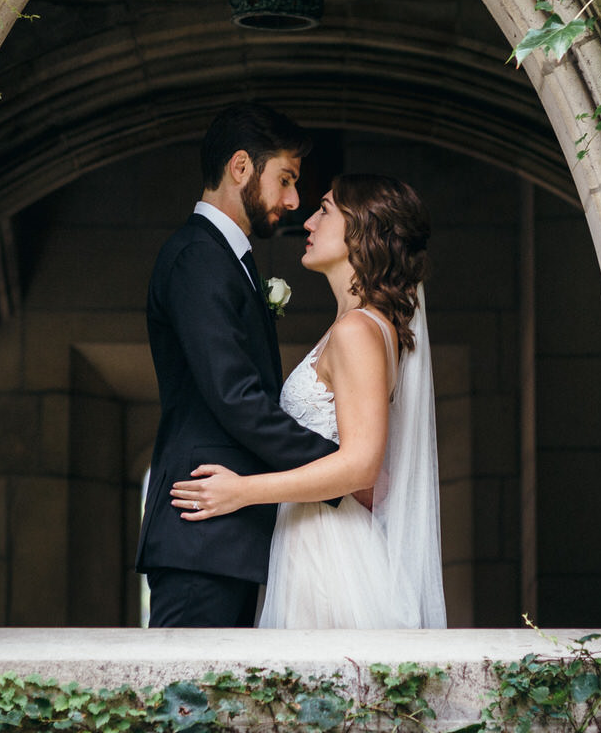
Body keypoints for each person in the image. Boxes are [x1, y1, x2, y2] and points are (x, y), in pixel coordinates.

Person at [170, 174, 445, 629]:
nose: (309, 221)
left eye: (325, 209)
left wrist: (242, 491)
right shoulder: (358, 327)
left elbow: (360, 466)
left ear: (361, 228)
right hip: (311, 541)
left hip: (331, 554)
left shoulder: (357, 331)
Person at [135, 103, 340, 627]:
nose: (294, 201)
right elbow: (235, 395)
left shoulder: (224, 260)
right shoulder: (196, 258)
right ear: (242, 167)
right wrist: (337, 467)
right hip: (201, 531)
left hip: (226, 535)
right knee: (186, 708)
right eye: (286, 180)